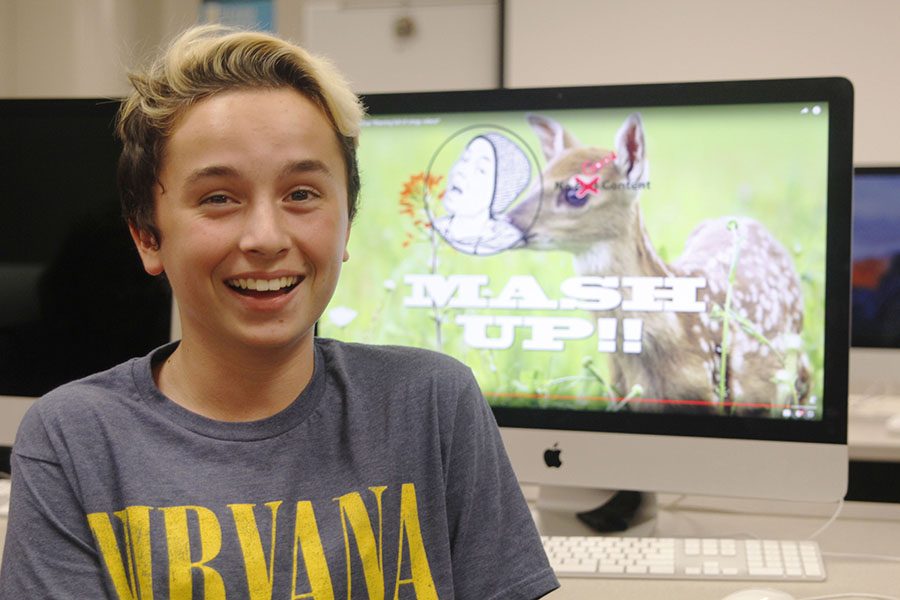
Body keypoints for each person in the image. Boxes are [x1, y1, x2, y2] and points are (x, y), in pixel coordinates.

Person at [0, 25, 559, 599]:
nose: (266, 238)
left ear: (347, 225)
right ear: (148, 236)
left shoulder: (432, 406)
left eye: (301, 194)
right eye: (219, 197)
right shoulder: (75, 440)